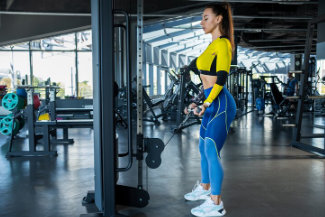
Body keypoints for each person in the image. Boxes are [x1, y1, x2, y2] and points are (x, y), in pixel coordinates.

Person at [183, 3, 236, 217]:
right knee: (203, 148)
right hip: (210, 103)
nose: (201, 22)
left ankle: (216, 203)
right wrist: (198, 101)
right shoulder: (210, 46)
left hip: (221, 105)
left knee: (212, 151)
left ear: (219, 19)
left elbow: (221, 79)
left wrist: (206, 103)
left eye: (206, 18)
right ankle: (205, 189)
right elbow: (205, 82)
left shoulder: (223, 44)